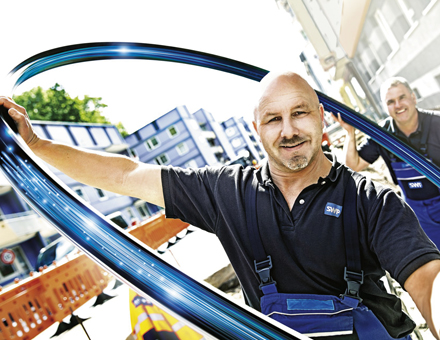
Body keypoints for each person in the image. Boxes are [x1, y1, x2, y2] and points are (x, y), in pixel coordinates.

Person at [1, 71, 439, 340]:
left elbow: (428, 282)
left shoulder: (369, 199)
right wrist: (35, 144)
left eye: (300, 113)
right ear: (256, 127)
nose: (288, 130)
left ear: (321, 118)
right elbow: (124, 175)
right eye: (273, 118)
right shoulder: (227, 192)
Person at [333, 76, 440, 248]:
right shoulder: (382, 135)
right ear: (385, 106)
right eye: (391, 101)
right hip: (417, 213)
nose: (398, 105)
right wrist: (349, 133)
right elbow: (352, 165)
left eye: (402, 97)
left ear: (413, 97)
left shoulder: (437, 123)